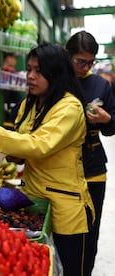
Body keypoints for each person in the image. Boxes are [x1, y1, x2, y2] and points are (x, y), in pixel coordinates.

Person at [0, 43, 94, 275]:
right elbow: (23, 152)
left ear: (56, 73)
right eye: (29, 69)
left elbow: (39, 145)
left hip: (66, 213)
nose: (30, 76)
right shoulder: (31, 104)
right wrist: (10, 151)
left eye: (38, 71)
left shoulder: (69, 108)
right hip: (36, 206)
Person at [66, 30, 115, 275]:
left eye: (90, 62)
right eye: (80, 62)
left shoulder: (100, 85)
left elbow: (111, 128)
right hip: (60, 171)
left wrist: (107, 119)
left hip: (93, 170)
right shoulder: (56, 82)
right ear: (68, 56)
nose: (86, 67)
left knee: (90, 234)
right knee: (64, 235)